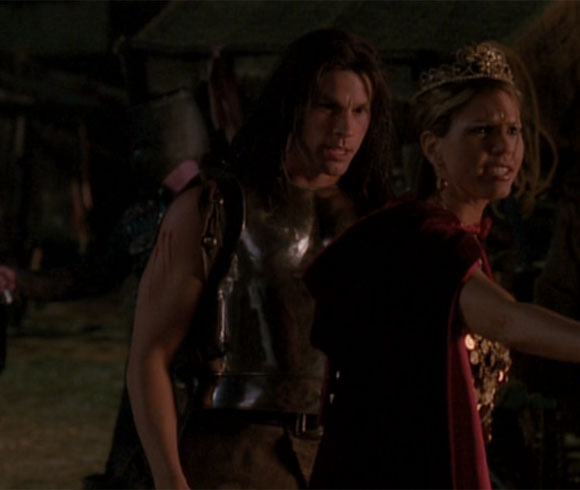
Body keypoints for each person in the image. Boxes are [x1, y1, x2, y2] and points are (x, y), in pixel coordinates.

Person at [303, 41, 580, 489]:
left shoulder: (462, 238)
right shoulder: (425, 239)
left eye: (513, 130)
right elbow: (507, 319)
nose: (504, 147)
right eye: (482, 131)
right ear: (434, 148)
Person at [126, 29, 393, 489]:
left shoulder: (379, 218)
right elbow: (150, 355)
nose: (344, 128)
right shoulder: (216, 206)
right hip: (236, 453)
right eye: (327, 106)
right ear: (292, 106)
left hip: (346, 450)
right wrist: (171, 481)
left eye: (359, 110)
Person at [0, 88, 209, 489]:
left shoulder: (221, 213)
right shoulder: (144, 217)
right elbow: (90, 275)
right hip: (149, 372)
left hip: (205, 383)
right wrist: (22, 281)